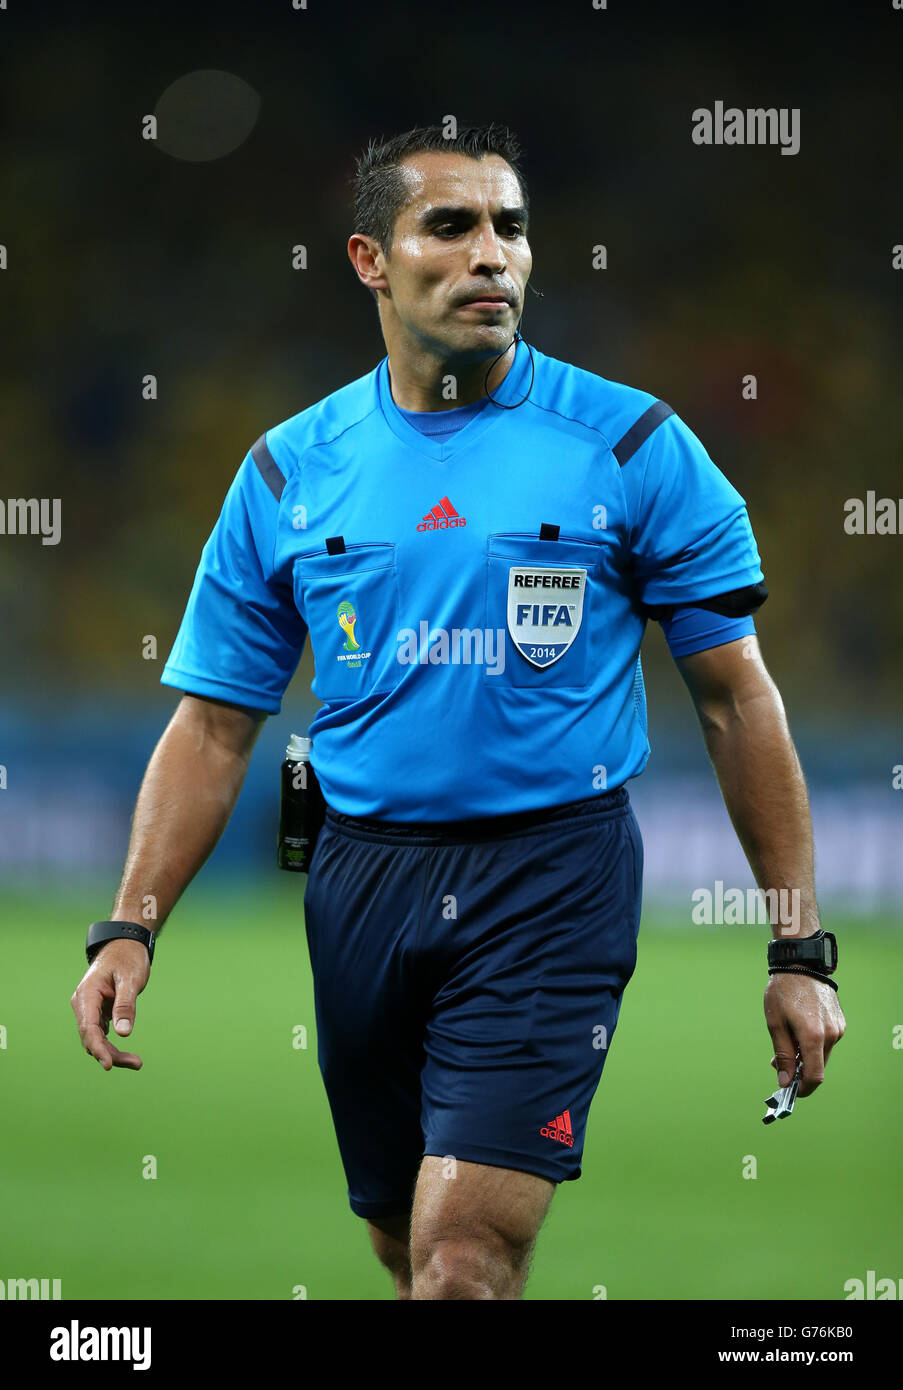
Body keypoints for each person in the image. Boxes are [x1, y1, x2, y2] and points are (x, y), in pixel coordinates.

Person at [70, 123, 845, 1301]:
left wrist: (798, 946)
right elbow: (218, 723)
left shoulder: (635, 445)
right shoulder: (287, 471)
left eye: (512, 227)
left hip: (552, 875)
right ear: (370, 261)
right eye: (452, 226)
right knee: (401, 1237)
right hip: (360, 879)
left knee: (463, 1259)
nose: (494, 255)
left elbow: (738, 701)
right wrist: (129, 924)